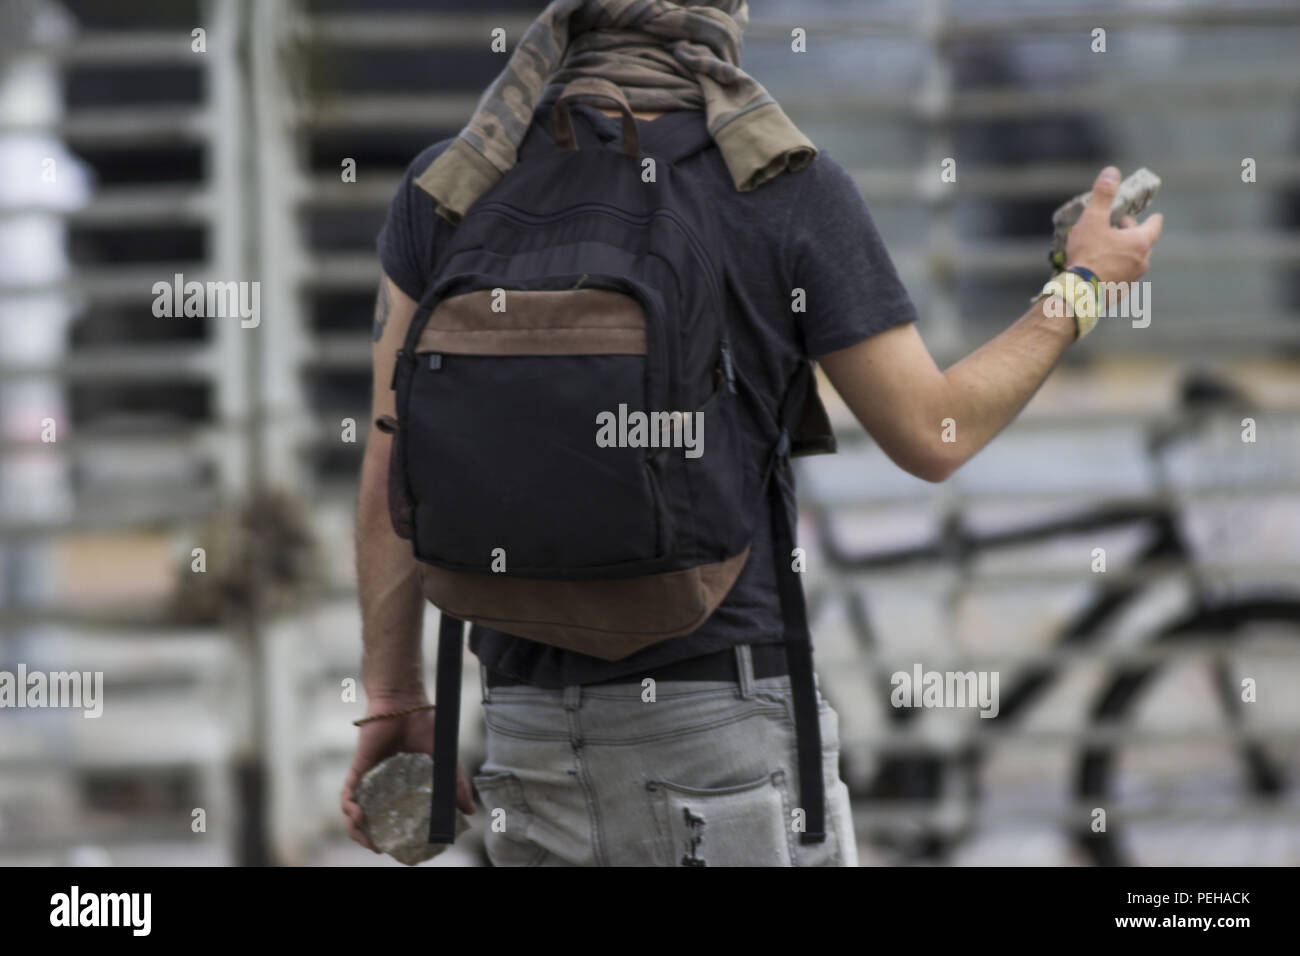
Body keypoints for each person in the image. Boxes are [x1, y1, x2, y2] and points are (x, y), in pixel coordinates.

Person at [341, 0, 1162, 867]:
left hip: (526, 738)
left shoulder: (453, 181)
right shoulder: (779, 183)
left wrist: (395, 698)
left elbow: (392, 461)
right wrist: (1082, 289)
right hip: (723, 743)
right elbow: (936, 431)